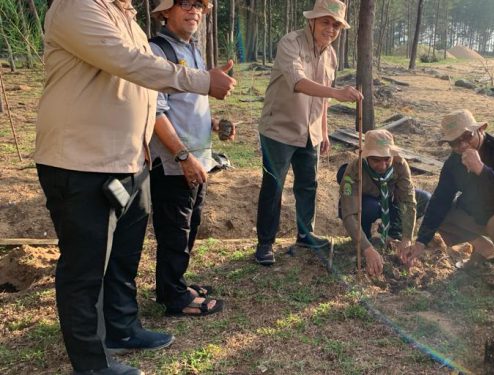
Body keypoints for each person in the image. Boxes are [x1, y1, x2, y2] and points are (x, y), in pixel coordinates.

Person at [34, 0, 235, 374]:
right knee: (85, 268)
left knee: (124, 255)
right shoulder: (77, 8)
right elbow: (132, 64)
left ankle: (122, 328)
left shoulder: (126, 18)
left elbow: (139, 91)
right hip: (82, 163)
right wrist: (202, 81)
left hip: (127, 163)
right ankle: (92, 364)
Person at [254, 0, 363, 266]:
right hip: (279, 128)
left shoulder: (331, 55)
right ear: (312, 21)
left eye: (336, 25)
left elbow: (321, 100)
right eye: (325, 21)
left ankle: (305, 234)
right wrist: (338, 93)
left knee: (307, 184)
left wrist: (323, 131)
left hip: (310, 133)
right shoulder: (290, 43)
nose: (331, 29)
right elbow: (299, 83)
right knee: (274, 186)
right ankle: (265, 244)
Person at [149, 0, 230, 317]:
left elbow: (187, 104)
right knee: (174, 230)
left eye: (199, 4)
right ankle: (173, 297)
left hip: (198, 160)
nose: (194, 10)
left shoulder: (194, 49)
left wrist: (213, 124)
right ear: (165, 10)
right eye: (184, 3)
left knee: (189, 225)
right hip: (173, 163)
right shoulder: (157, 52)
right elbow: (154, 113)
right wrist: (182, 155)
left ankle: (174, 284)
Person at [399, 109, 494, 268]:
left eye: (467, 137)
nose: (462, 145)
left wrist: (481, 169)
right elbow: (440, 200)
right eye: (454, 142)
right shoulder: (454, 162)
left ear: (480, 130)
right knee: (441, 213)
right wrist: (421, 242)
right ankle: (484, 250)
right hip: (484, 214)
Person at [337, 130, 431, 276]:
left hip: (390, 201)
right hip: (366, 204)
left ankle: (394, 234)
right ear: (366, 156)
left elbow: (408, 201)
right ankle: (365, 238)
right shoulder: (355, 169)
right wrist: (367, 248)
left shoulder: (399, 164)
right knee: (369, 207)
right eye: (376, 160)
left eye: (386, 159)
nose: (382, 166)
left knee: (424, 198)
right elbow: (349, 213)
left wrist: (407, 238)